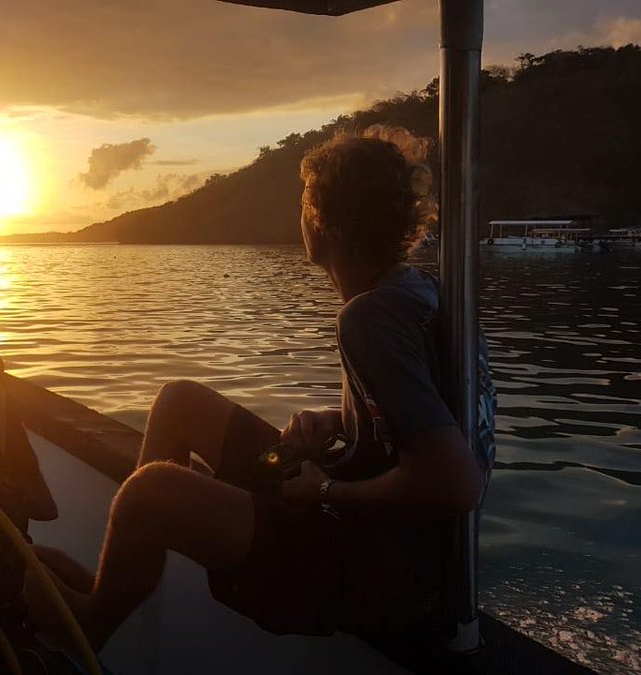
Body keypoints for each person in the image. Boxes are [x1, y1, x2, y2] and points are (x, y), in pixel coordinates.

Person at [28, 125, 495, 650]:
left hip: (381, 574)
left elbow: (455, 483)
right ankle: (117, 582)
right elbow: (439, 417)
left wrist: (323, 490)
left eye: (304, 204)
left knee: (148, 493)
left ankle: (93, 622)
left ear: (324, 223)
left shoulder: (368, 318)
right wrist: (346, 422)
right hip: (385, 539)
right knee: (179, 401)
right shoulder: (419, 292)